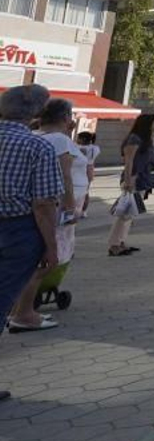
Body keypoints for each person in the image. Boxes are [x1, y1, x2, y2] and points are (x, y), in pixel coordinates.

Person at [0, 85, 63, 401]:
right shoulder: (37, 147)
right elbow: (43, 203)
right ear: (37, 112)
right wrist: (52, 247)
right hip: (16, 230)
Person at [9, 98, 86, 333]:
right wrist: (71, 206)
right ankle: (22, 312)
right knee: (47, 259)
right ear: (65, 118)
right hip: (56, 209)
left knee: (37, 257)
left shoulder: (36, 137)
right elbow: (65, 175)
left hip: (39, 206)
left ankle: (17, 308)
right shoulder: (60, 140)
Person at [109, 113, 154, 257]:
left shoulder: (146, 140)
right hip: (133, 179)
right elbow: (129, 161)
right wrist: (128, 180)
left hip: (141, 179)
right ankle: (115, 244)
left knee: (130, 213)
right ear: (147, 124)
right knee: (125, 214)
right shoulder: (134, 139)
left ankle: (120, 242)